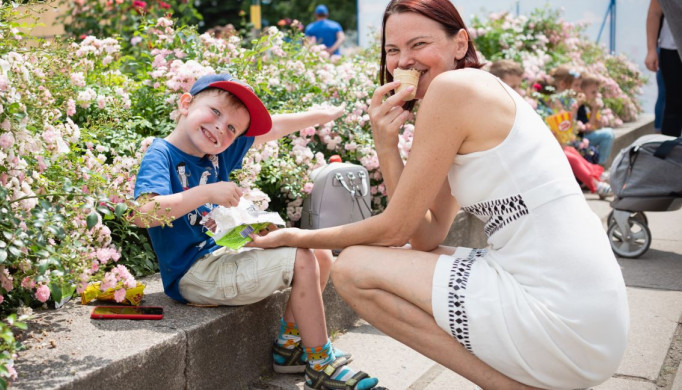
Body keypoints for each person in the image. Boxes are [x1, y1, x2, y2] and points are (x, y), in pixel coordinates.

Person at [249, 0, 629, 389]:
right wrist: (386, 145)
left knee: (354, 269)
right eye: (393, 50)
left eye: (418, 44)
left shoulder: (454, 89)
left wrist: (294, 237)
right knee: (368, 262)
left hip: (562, 312)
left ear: (459, 43)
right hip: (593, 315)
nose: (404, 62)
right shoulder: (468, 94)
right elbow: (425, 235)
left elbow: (395, 231)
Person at [132, 73, 379, 390]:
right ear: (185, 104)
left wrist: (321, 115)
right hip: (192, 274)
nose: (221, 128)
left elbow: (273, 127)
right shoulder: (161, 155)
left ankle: (289, 350)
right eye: (215, 112)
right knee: (302, 258)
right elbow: (142, 213)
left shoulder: (218, 150)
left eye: (232, 128)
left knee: (319, 253)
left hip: (222, 253)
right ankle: (321, 363)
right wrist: (207, 193)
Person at [490, 62, 612, 198]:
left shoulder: (518, 103)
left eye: (519, 86)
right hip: (520, 157)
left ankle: (597, 178)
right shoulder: (497, 108)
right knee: (567, 155)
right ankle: (594, 183)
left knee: (569, 151)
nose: (519, 91)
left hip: (536, 148)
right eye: (513, 87)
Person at [647, 0, 681, 137]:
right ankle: (669, 151)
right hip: (671, 49)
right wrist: (651, 50)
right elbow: (654, 12)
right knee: (673, 103)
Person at [574, 73, 615, 166]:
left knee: (607, 132)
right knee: (608, 134)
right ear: (582, 90)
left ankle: (598, 164)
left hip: (585, 137)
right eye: (593, 92)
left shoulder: (587, 105)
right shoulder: (579, 106)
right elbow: (588, 128)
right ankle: (600, 165)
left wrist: (599, 122)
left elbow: (595, 126)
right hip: (580, 138)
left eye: (597, 92)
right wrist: (594, 110)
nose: (596, 95)